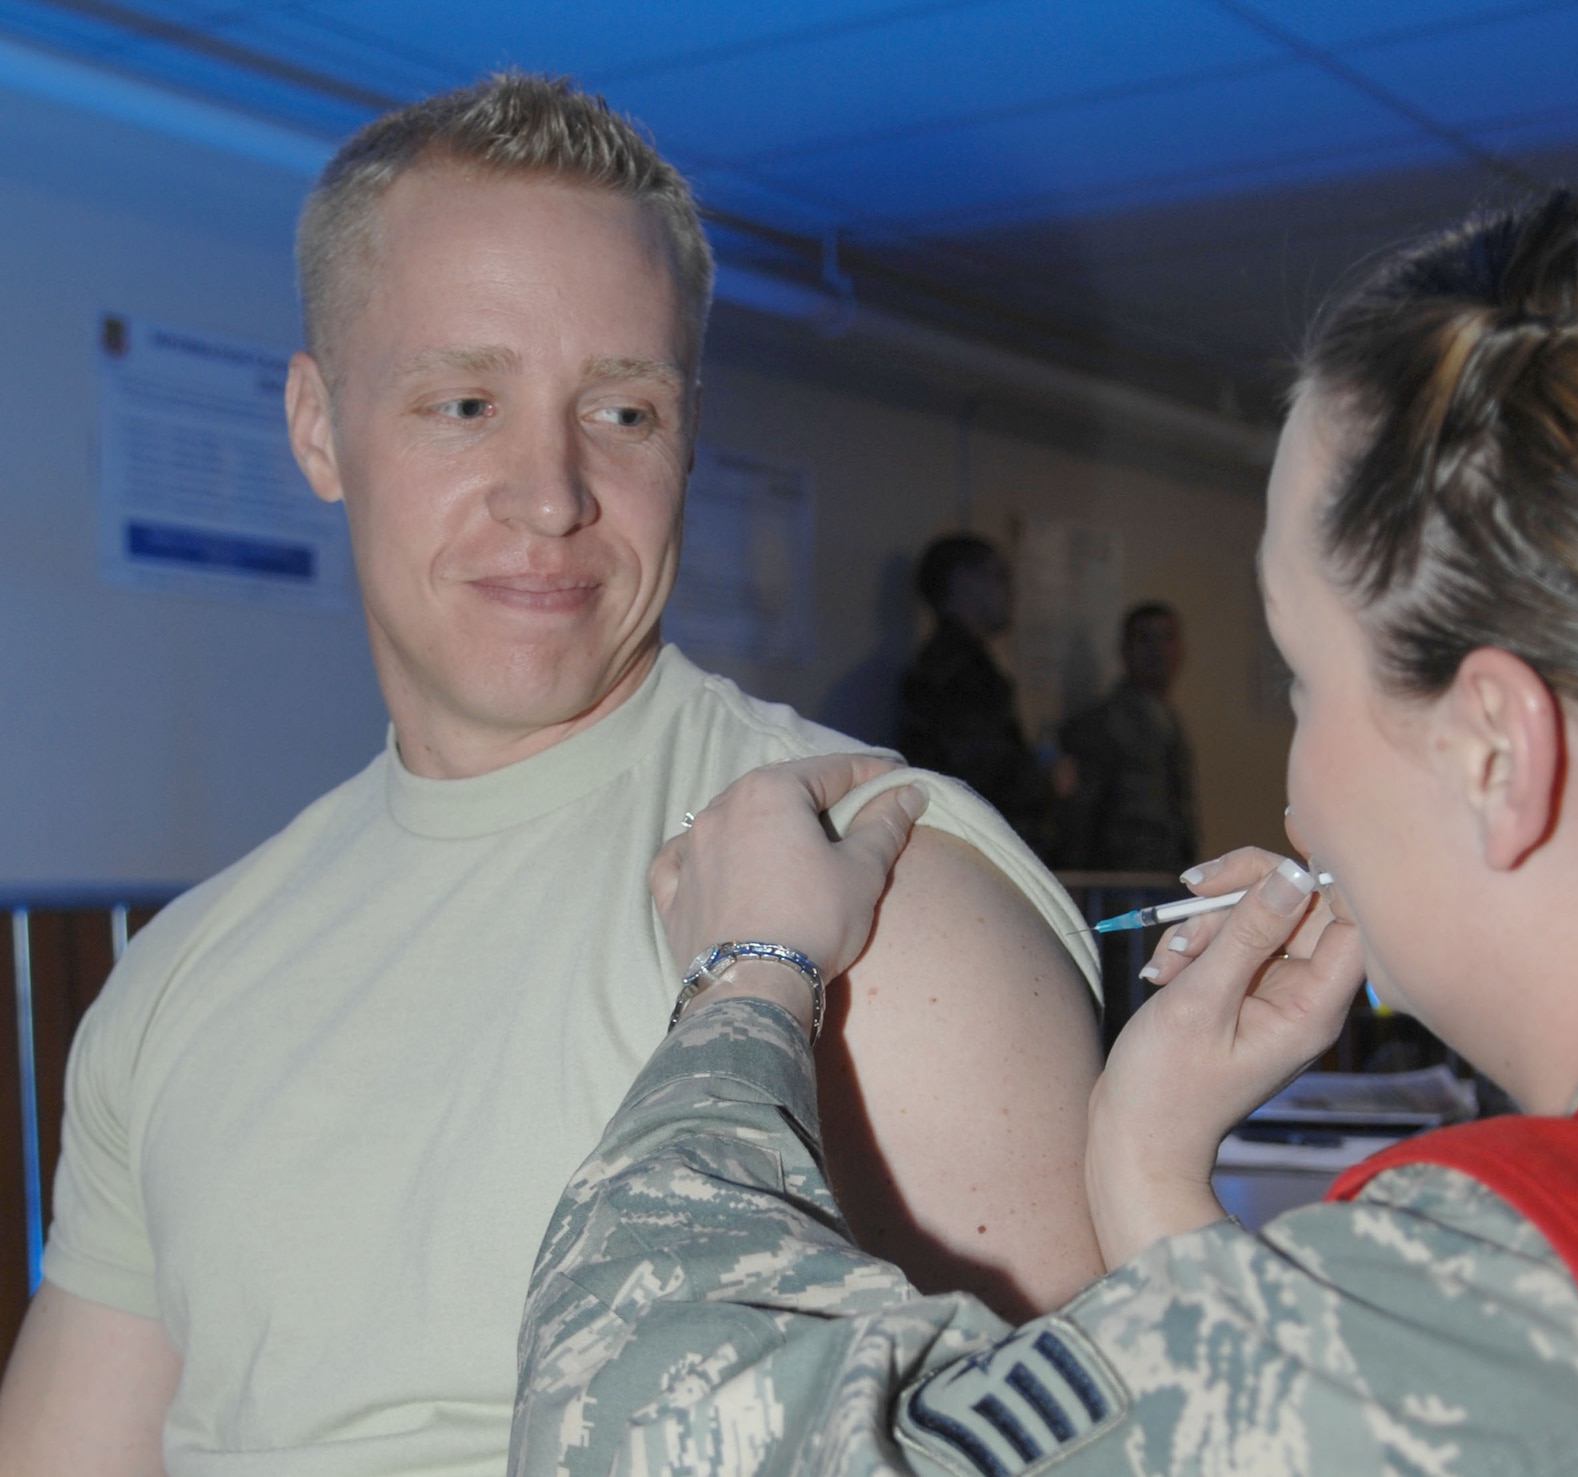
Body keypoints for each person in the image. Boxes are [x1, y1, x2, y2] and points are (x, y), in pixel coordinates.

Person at [512, 174, 1578, 1474]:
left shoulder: (1504, 1310)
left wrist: (751, 970)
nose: (1295, 800)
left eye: (1302, 677)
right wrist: (1147, 1172)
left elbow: (645, 1434)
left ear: (1494, 751)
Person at [0, 75, 1108, 1477]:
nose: (552, 493)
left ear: (687, 432)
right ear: (317, 426)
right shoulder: (180, 981)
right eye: (465, 402)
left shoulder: (875, 893)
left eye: (624, 412)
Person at [896, 534, 1058, 854]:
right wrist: (1046, 779)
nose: (1009, 592)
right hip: (978, 846)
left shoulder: (952, 662)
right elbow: (983, 774)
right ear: (963, 580)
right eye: (998, 576)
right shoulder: (959, 670)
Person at [1057, 602, 1198, 873]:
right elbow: (1079, 823)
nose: (1157, 651)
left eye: (1167, 638)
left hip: (1164, 876)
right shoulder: (1101, 724)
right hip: (1117, 881)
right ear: (1125, 649)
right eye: (1145, 639)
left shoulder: (1168, 721)